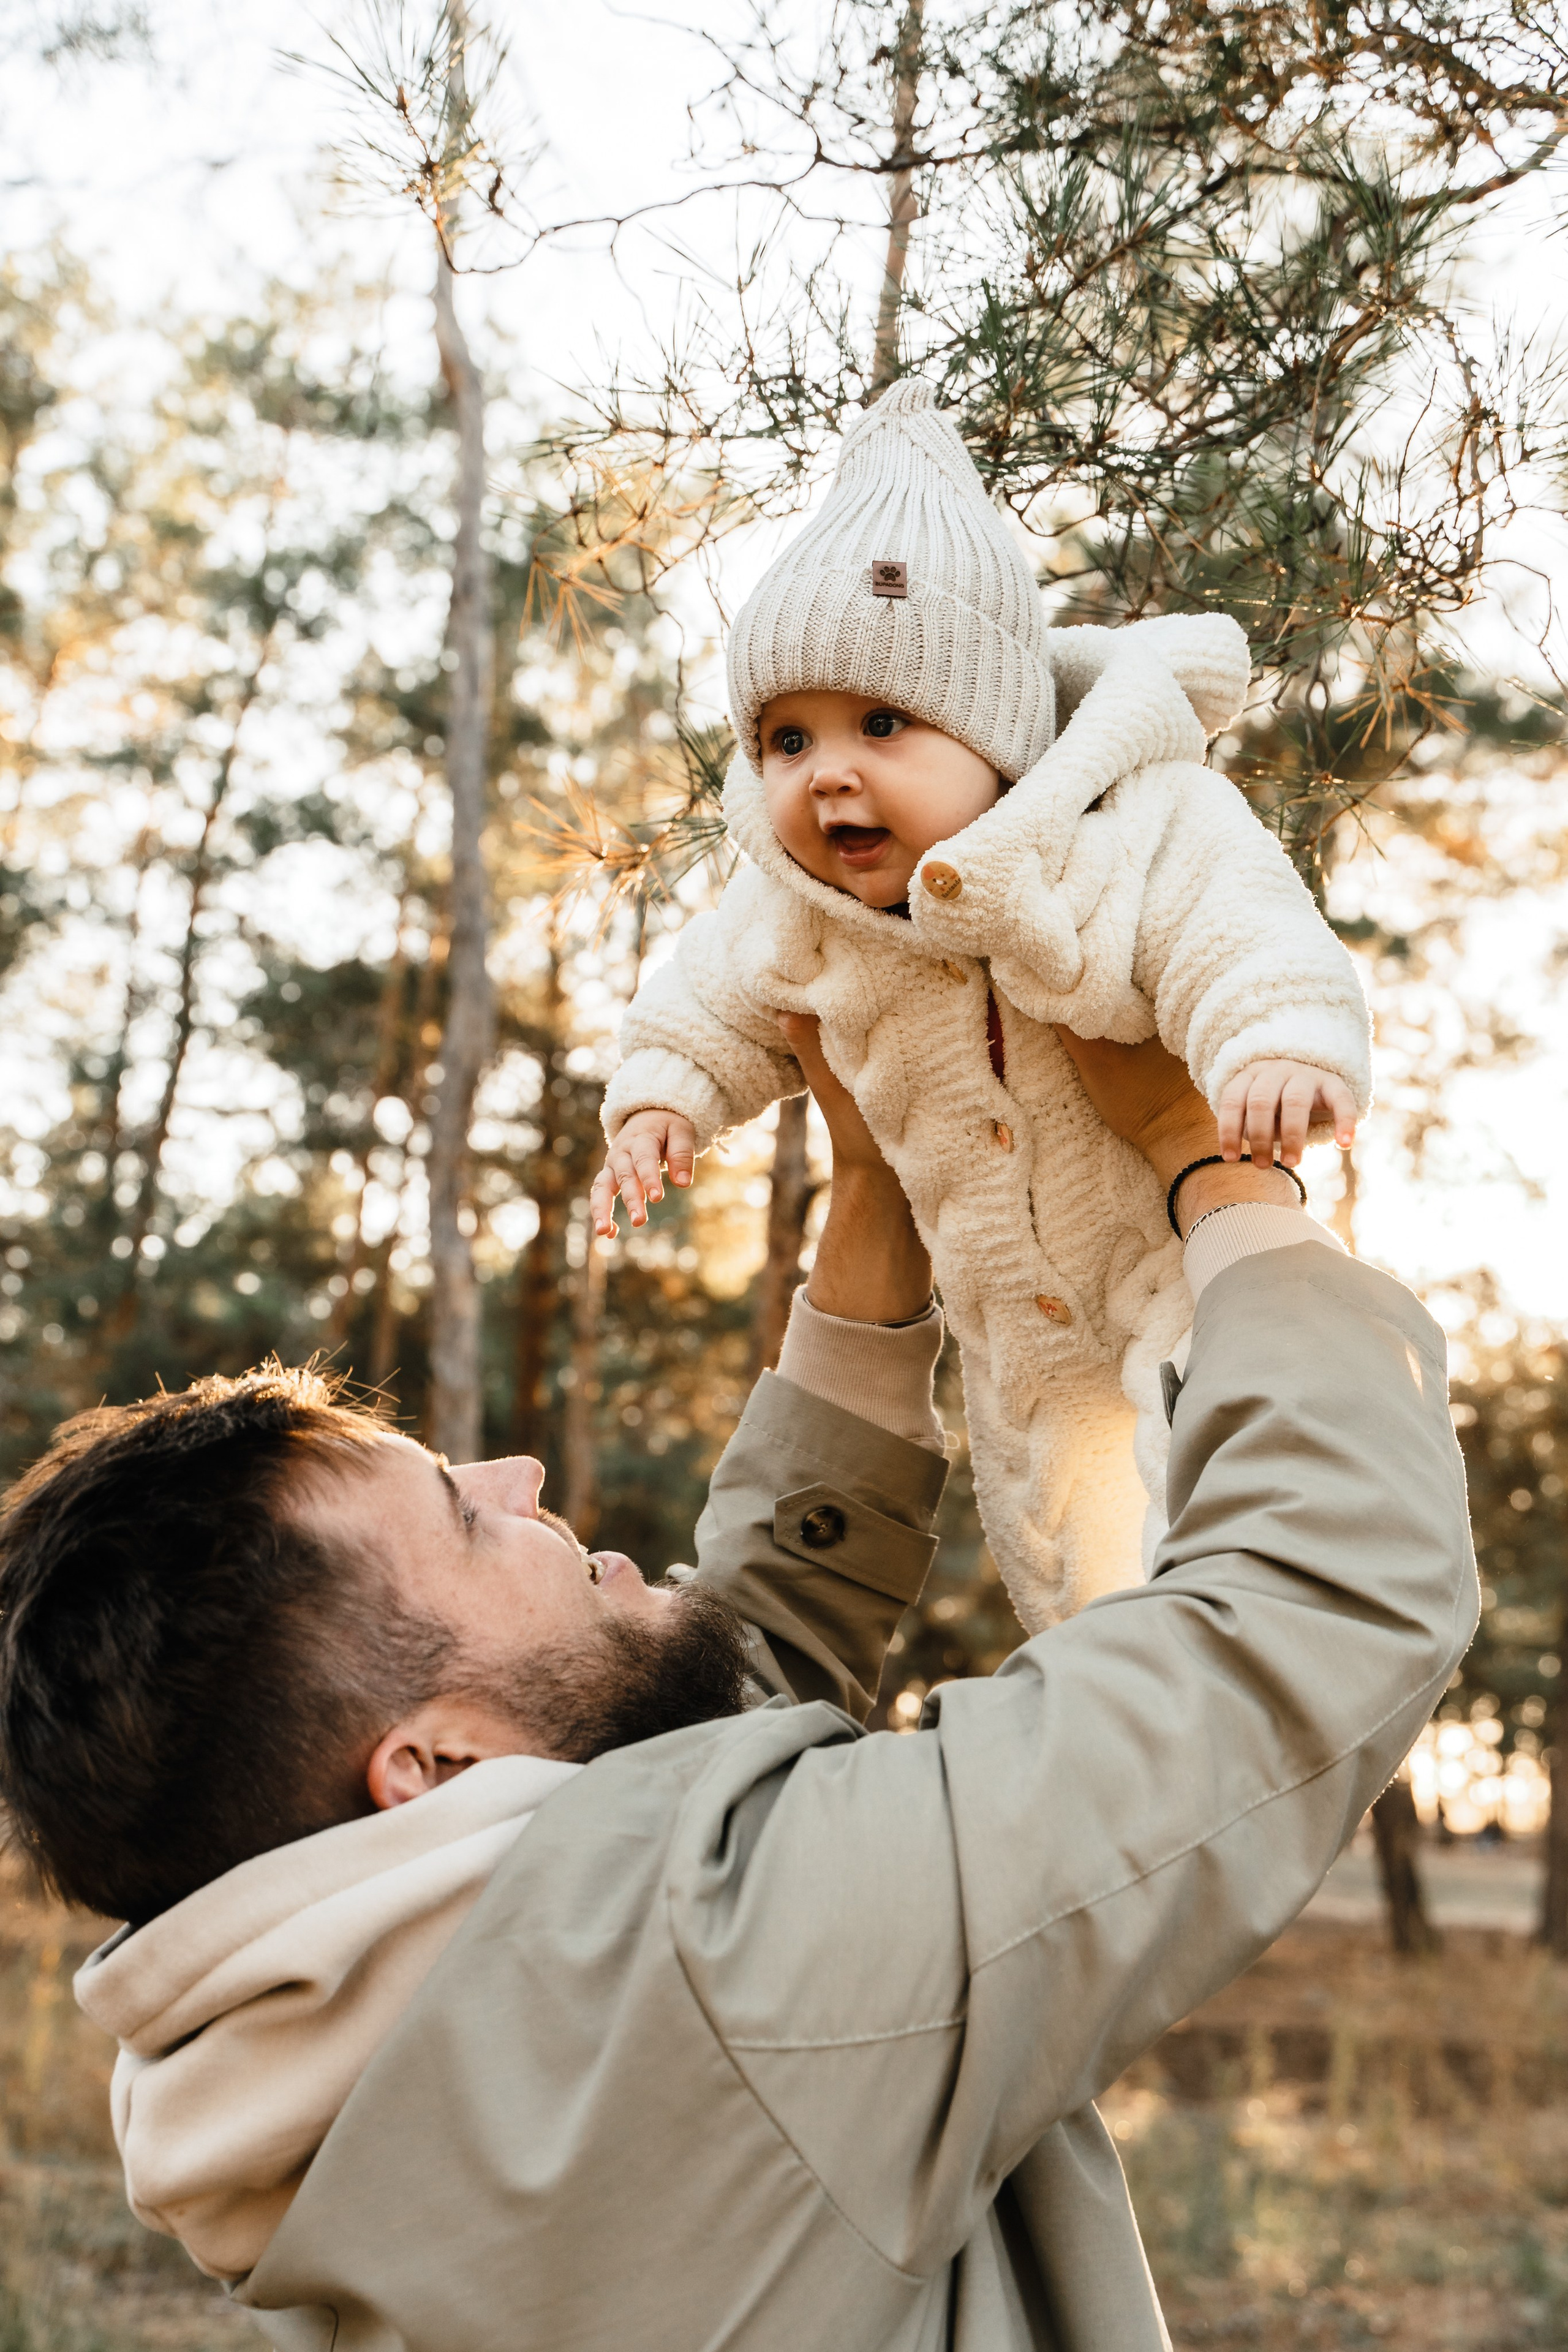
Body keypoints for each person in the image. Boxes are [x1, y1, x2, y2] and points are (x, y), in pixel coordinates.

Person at [1, 1026, 1472, 2352]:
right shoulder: (733, 1972)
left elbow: (675, 1759)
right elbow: (1315, 1601)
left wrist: (876, 1199)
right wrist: (1208, 1166)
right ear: (430, 1766)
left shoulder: (295, 2084)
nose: (518, 1477)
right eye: (462, 1515)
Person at [594, 380, 1371, 1634]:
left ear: (996, 736)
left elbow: (1236, 926)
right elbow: (706, 1002)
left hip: (1181, 1254)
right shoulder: (791, 902)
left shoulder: (1129, 822)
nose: (826, 775)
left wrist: (1274, 1043)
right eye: (786, 741)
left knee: (1245, 1537)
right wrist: (660, 1102)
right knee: (1076, 1577)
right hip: (1011, 1329)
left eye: (881, 724)